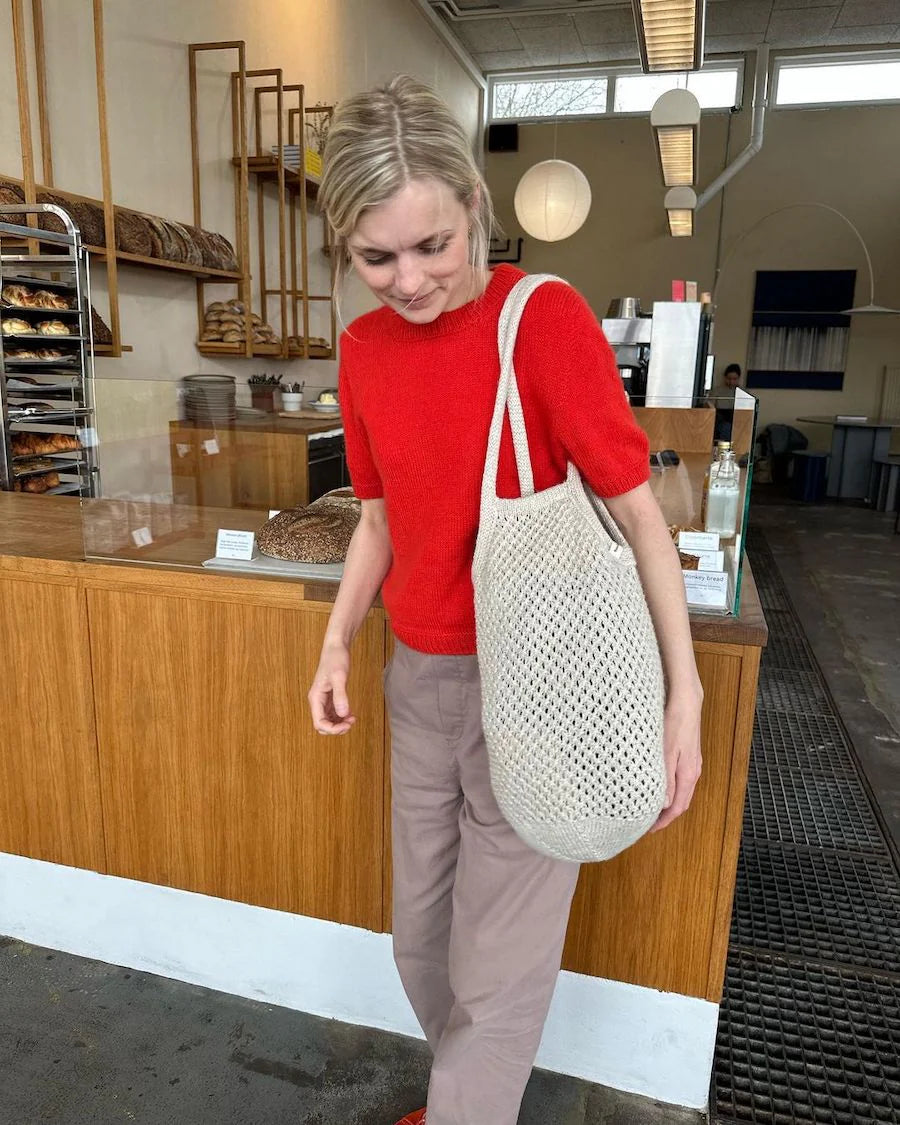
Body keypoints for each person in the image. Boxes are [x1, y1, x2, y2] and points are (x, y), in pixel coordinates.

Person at [307, 75, 704, 1125]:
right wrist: (339, 641)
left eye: (432, 245)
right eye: (376, 257)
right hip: (419, 683)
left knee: (497, 969)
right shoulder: (364, 350)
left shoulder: (543, 322)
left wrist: (685, 696)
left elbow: (641, 517)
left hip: (543, 681)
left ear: (475, 206)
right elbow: (379, 518)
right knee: (420, 942)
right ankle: (466, 1102)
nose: (408, 280)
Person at [711, 362, 742, 442]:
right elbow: (710, 407)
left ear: (738, 378)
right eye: (729, 379)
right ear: (725, 378)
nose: (731, 382)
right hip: (719, 420)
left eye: (734, 379)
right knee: (726, 427)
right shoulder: (717, 391)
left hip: (737, 421)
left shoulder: (743, 393)